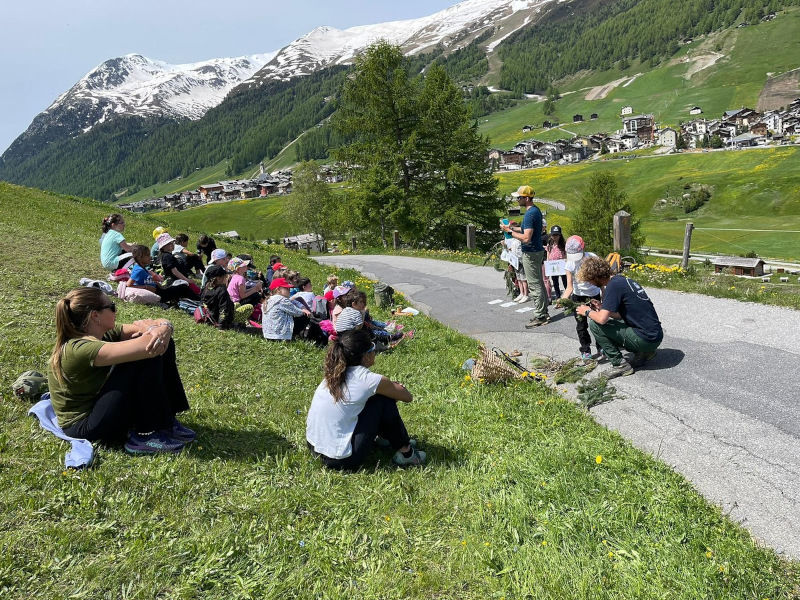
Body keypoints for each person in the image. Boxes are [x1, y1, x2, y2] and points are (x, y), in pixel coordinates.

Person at [47, 287, 195, 454]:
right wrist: (155, 330)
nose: (115, 309)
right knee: (149, 351)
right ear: (95, 316)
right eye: (111, 306)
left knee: (163, 345)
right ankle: (143, 435)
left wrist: (164, 328)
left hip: (98, 407)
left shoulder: (103, 333)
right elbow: (147, 345)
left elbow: (157, 326)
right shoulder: (80, 348)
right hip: (84, 425)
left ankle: (166, 422)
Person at [306, 329, 425, 470]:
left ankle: (385, 438)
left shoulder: (334, 374)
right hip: (341, 459)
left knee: (377, 396)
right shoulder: (368, 380)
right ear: (366, 356)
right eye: (373, 347)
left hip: (314, 447)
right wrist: (392, 388)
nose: (375, 351)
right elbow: (407, 397)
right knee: (383, 399)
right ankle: (407, 454)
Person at [574, 256, 664, 379]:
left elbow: (601, 319)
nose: (589, 283)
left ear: (595, 277)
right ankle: (644, 353)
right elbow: (623, 314)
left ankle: (620, 365)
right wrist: (602, 308)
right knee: (616, 320)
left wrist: (587, 311)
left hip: (646, 339)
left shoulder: (613, 286)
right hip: (655, 336)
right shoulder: (622, 281)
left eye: (589, 280)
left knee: (595, 325)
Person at [500, 186, 549, 328]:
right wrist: (513, 228)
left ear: (526, 198)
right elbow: (526, 230)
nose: (517, 200)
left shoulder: (529, 214)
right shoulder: (535, 211)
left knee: (534, 284)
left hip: (531, 252)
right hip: (537, 251)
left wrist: (509, 231)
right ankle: (544, 311)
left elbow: (526, 238)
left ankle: (540, 315)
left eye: (519, 197)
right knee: (538, 282)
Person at [559, 236, 602, 361]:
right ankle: (585, 349)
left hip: (594, 295)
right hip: (578, 297)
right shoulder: (569, 265)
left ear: (584, 248)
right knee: (581, 325)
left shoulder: (593, 258)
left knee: (598, 322)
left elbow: (601, 280)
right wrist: (562, 300)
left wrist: (603, 293)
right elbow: (569, 287)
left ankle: (601, 346)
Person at [128, 245, 198, 304]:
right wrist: (146, 287)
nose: (150, 257)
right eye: (147, 255)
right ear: (140, 257)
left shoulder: (142, 268)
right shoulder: (138, 270)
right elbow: (129, 285)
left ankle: (196, 299)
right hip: (159, 294)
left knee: (180, 287)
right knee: (183, 288)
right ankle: (199, 300)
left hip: (160, 290)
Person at [262, 277, 312, 341]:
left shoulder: (269, 299)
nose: (289, 290)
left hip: (268, 334)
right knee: (305, 316)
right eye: (287, 288)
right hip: (280, 335)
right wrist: (305, 311)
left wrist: (302, 307)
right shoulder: (282, 300)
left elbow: (294, 301)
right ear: (278, 289)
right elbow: (297, 312)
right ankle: (293, 335)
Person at [155, 233, 201, 298]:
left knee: (195, 289)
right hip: (173, 280)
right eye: (169, 244)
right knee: (193, 291)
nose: (172, 245)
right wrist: (186, 279)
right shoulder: (167, 256)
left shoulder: (165, 255)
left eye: (172, 243)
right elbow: (175, 272)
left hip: (175, 279)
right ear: (163, 247)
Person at [201, 264, 234, 329]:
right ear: (218, 278)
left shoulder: (206, 287)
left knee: (236, 304)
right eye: (225, 276)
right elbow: (224, 309)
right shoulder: (222, 290)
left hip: (210, 317)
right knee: (248, 307)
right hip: (218, 319)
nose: (227, 278)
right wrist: (221, 326)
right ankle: (239, 324)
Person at [546, 225, 567, 298]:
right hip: (553, 265)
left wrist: (565, 261)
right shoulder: (550, 244)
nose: (555, 236)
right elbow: (548, 254)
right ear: (551, 235)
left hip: (561, 265)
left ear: (560, 235)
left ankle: (567, 295)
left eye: (557, 235)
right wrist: (547, 263)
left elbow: (565, 255)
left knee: (565, 281)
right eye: (553, 235)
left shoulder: (563, 245)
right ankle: (558, 296)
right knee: (555, 282)